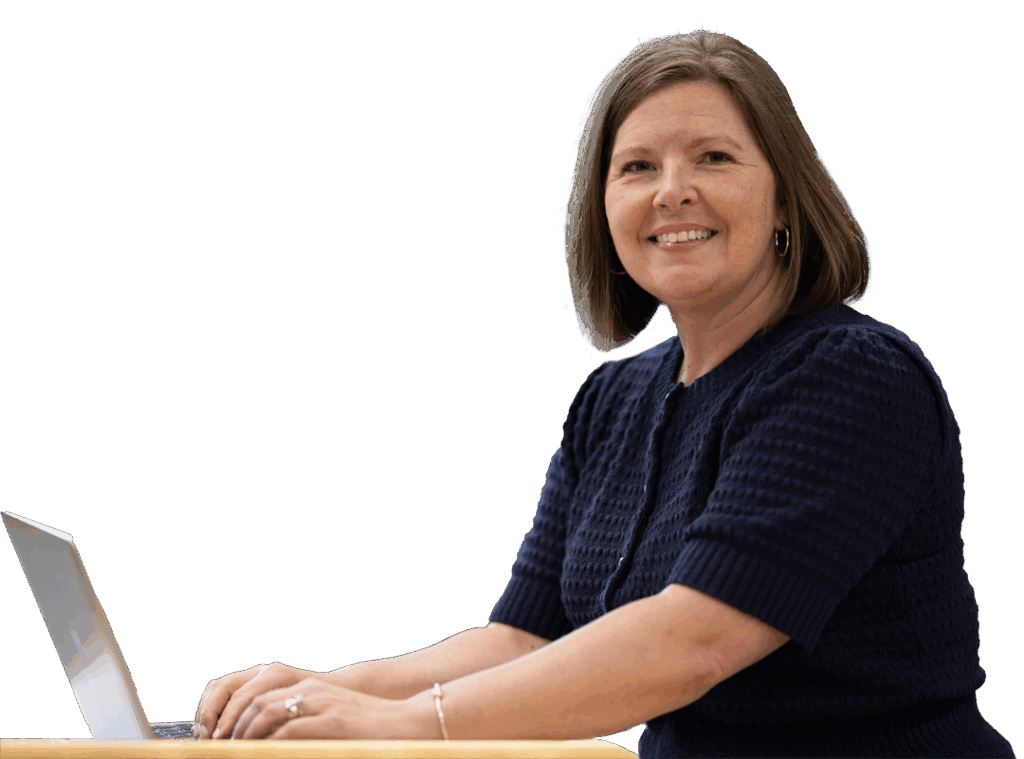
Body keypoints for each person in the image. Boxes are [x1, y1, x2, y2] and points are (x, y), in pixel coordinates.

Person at [191, 30, 1015, 758]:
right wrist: (316, 692)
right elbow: (524, 638)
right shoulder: (612, 400)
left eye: (714, 157)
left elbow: (694, 640)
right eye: (637, 167)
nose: (671, 190)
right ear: (606, 209)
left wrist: (406, 723)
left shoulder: (851, 375)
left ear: (786, 201)